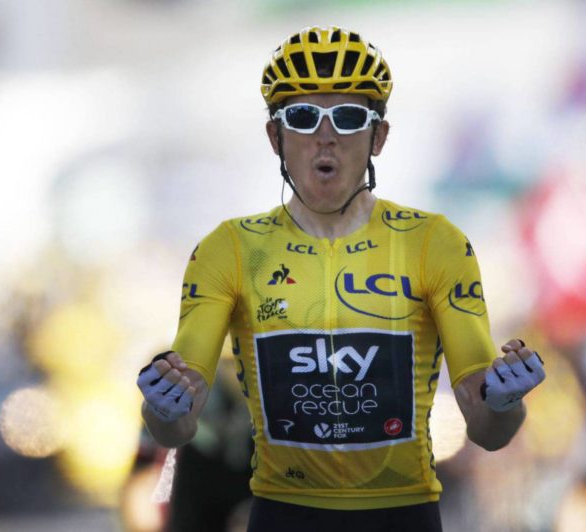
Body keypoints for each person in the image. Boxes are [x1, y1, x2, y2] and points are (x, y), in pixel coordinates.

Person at [137, 26, 546, 532]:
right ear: (275, 137)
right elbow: (177, 429)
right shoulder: (231, 250)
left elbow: (488, 432)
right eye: (303, 117)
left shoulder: (433, 243)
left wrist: (505, 402)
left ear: (379, 137)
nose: (325, 137)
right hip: (283, 515)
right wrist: (162, 409)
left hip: (403, 515)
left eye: (349, 118)